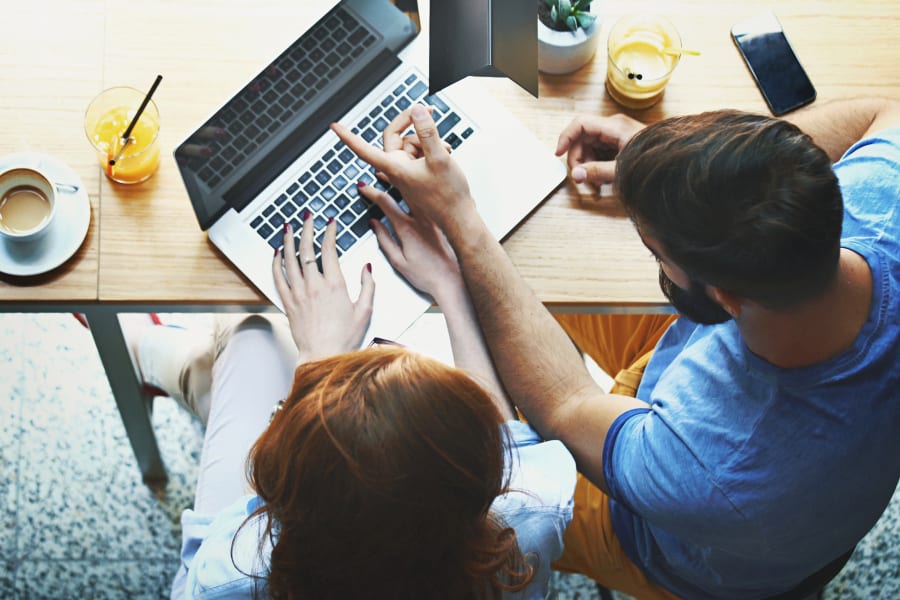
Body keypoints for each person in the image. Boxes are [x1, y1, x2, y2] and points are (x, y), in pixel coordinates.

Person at [332, 97, 900, 599]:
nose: (652, 251)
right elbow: (884, 110)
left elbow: (564, 404)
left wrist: (461, 222)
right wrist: (693, 180)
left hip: (667, 542)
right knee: (536, 277)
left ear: (726, 296)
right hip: (720, 373)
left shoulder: (713, 467)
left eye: (654, 248)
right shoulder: (882, 204)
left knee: (488, 501)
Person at [130, 204, 576, 597]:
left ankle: (153, 354)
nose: (386, 346)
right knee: (235, 361)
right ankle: (177, 363)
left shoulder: (236, 571)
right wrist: (450, 284)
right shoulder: (532, 516)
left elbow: (228, 537)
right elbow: (502, 436)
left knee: (250, 333)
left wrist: (314, 362)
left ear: (290, 498)